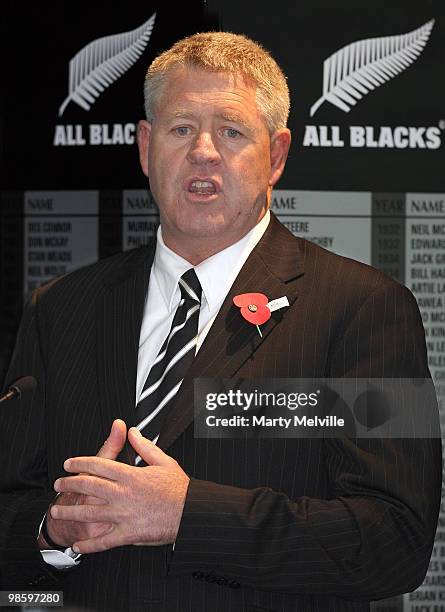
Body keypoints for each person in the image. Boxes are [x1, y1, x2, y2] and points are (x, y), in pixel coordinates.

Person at [0, 31, 441, 612]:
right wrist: (53, 532)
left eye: (231, 132)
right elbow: (11, 505)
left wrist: (187, 514)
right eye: (181, 129)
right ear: (145, 146)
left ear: (276, 156)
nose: (203, 151)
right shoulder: (60, 307)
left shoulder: (367, 307)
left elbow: (395, 541)